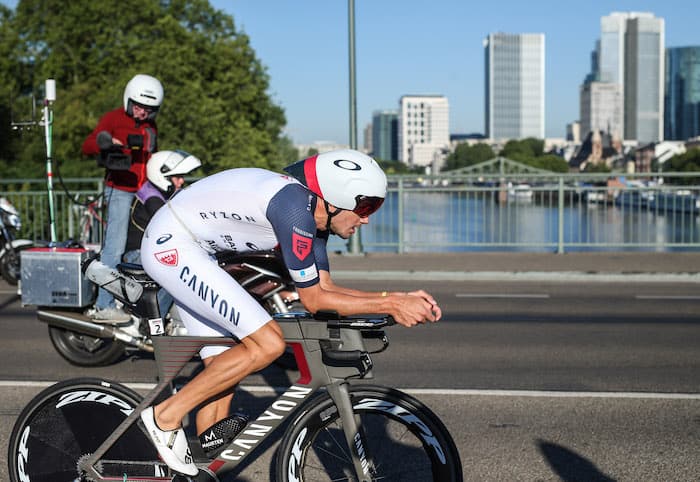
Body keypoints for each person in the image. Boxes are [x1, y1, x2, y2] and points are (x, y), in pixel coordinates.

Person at [139, 149, 442, 476]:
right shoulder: (295, 210)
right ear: (335, 199)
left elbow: (326, 288)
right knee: (268, 343)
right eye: (366, 206)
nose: (367, 218)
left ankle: (200, 470)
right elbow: (313, 300)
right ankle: (165, 418)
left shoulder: (315, 219)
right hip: (173, 245)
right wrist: (392, 304)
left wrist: (396, 297)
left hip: (197, 250)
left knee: (224, 366)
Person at [82, 74, 163, 322]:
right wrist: (107, 143)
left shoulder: (151, 127)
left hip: (144, 190)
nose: (142, 114)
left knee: (149, 244)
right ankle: (104, 305)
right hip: (119, 189)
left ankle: (139, 300)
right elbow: (88, 145)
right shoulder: (113, 118)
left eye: (148, 110)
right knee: (114, 248)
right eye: (138, 108)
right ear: (129, 101)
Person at [122, 150, 202, 317]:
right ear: (162, 176)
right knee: (176, 277)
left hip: (148, 252)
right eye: (177, 176)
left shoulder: (158, 193)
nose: (182, 181)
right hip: (136, 254)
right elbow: (174, 226)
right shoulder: (152, 198)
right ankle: (153, 319)